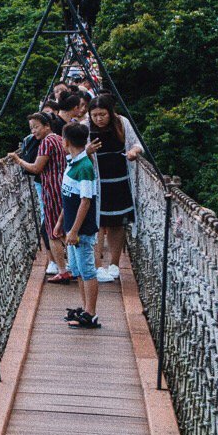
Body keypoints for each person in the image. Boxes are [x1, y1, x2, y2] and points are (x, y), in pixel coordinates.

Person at [11, 111, 70, 280]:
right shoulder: (60, 139)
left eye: (36, 127)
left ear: (47, 126)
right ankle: (72, 267)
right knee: (66, 227)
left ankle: (63, 271)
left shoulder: (46, 143)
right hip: (64, 186)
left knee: (52, 231)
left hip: (52, 190)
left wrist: (18, 160)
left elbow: (36, 168)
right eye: (31, 128)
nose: (34, 131)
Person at [58, 123, 102, 328]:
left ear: (66, 141)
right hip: (70, 227)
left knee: (87, 270)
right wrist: (61, 222)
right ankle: (84, 308)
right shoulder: (72, 162)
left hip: (81, 230)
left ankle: (91, 314)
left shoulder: (84, 168)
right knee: (77, 270)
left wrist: (74, 230)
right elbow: (69, 197)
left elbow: (85, 201)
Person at [87, 104, 135, 279]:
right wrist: (87, 151)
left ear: (111, 113)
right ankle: (97, 266)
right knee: (97, 223)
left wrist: (133, 152)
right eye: (95, 115)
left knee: (117, 222)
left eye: (102, 114)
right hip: (96, 184)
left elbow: (137, 144)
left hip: (120, 182)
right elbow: (71, 153)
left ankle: (114, 264)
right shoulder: (85, 127)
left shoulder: (122, 123)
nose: (98, 119)